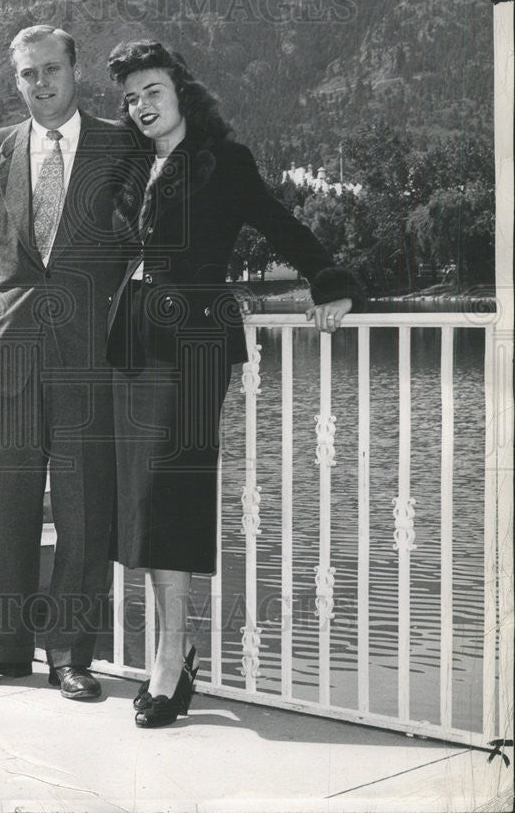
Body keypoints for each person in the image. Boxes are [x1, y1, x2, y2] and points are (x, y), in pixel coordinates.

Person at [105, 39, 366, 727]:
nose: (140, 107)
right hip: (134, 341)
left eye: (152, 91)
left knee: (171, 491)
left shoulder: (224, 162)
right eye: (130, 98)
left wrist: (330, 281)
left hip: (193, 341)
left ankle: (175, 654)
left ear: (182, 91)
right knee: (145, 502)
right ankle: (172, 650)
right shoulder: (137, 166)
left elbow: (282, 225)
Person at [0, 25, 134, 700]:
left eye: (52, 69)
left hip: (91, 359)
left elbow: (155, 241)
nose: (42, 83)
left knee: (86, 515)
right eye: (29, 74)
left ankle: (70, 656)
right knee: (12, 510)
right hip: (8, 355)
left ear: (76, 70)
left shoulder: (121, 145)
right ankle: (4, 648)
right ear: (15, 79)